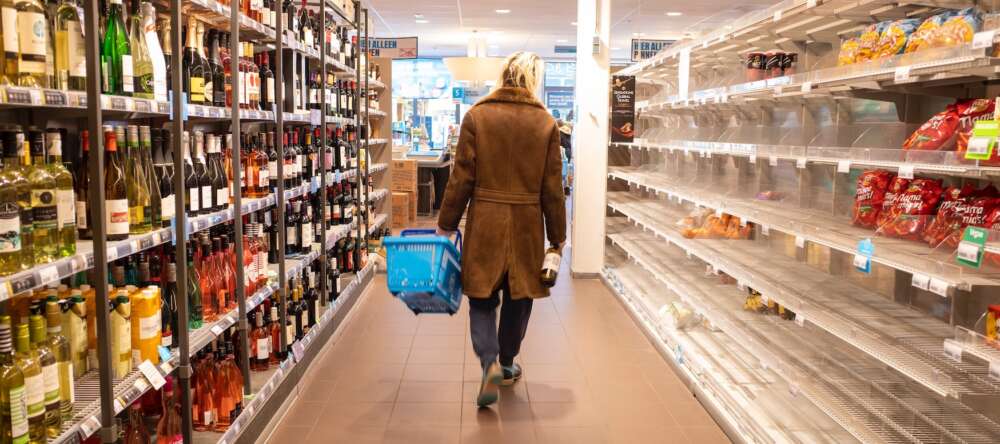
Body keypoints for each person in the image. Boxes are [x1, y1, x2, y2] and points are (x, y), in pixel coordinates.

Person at [436, 51, 567, 408]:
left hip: (487, 220)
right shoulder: (545, 124)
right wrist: (557, 236)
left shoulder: (477, 116)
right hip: (526, 221)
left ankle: (488, 361)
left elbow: (460, 179)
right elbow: (553, 189)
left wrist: (446, 224)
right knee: (519, 295)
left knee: (481, 296)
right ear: (533, 80)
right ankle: (508, 361)